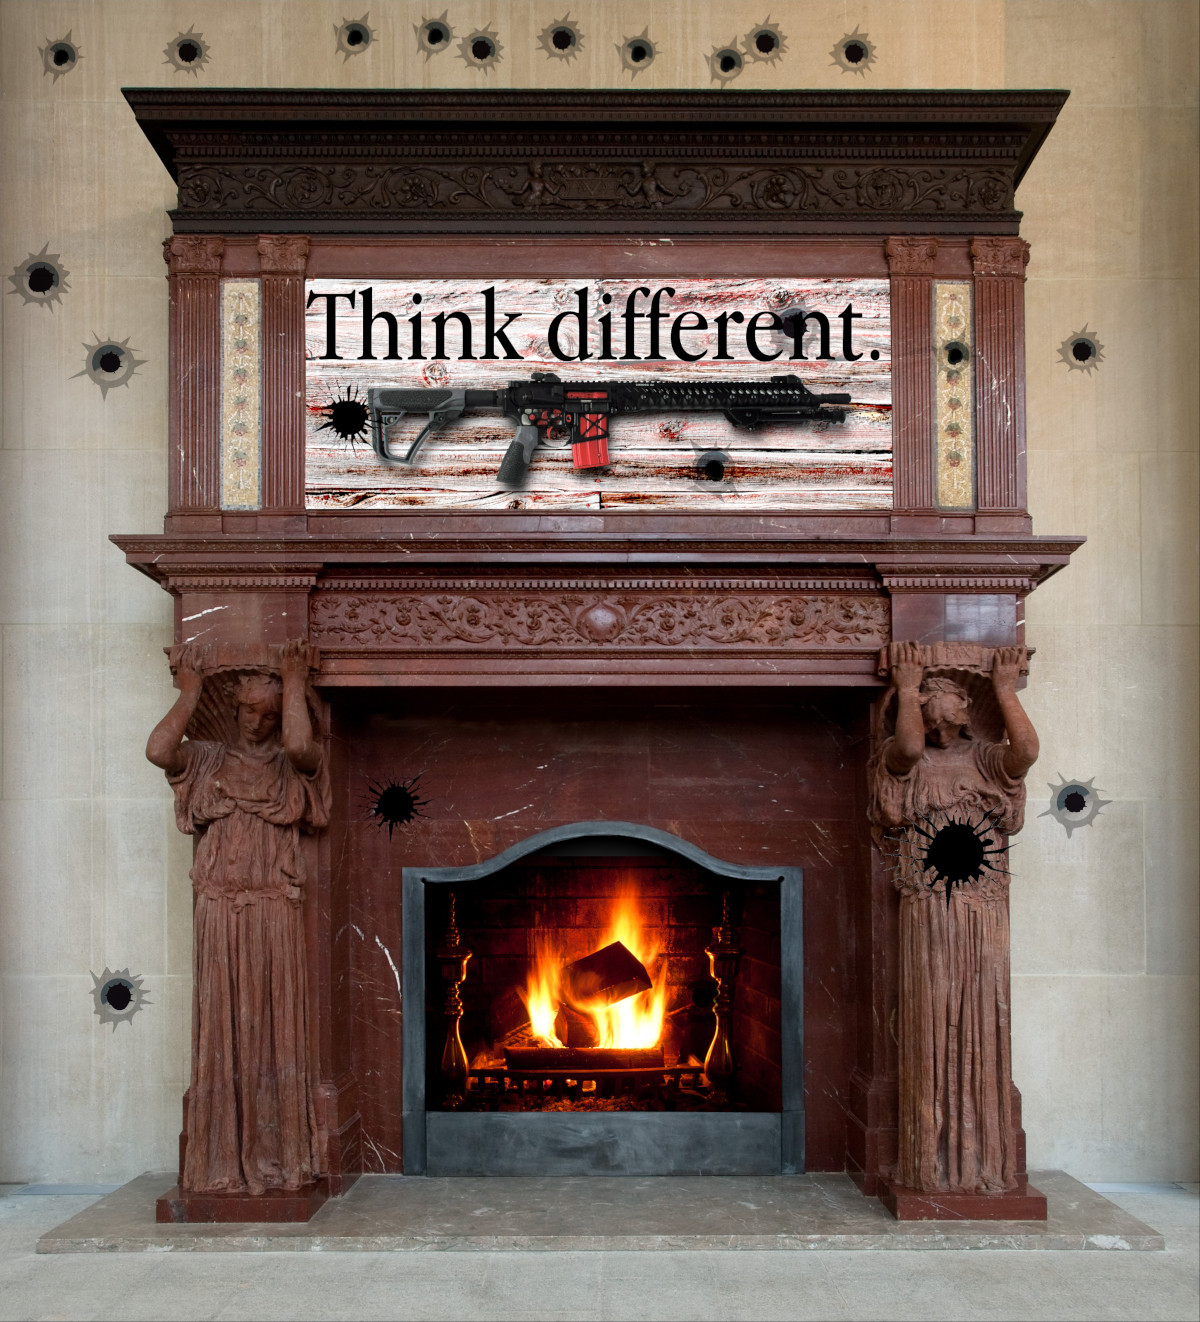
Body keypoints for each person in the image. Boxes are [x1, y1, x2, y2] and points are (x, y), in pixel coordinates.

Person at [146, 641, 330, 1196]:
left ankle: (277, 1153)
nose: (258, 722)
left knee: (273, 1024)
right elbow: (158, 750)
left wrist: (294, 680)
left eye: (269, 714)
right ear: (233, 711)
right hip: (220, 910)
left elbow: (301, 745)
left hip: (274, 909)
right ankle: (220, 1156)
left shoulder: (293, 765)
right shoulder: (204, 759)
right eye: (250, 710)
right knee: (225, 1025)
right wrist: (191, 688)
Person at [869, 643, 1038, 1194]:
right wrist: (910, 684)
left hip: (982, 908)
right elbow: (910, 744)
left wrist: (1006, 688)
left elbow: (1026, 753)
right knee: (935, 1009)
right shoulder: (906, 761)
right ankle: (930, 1157)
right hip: (930, 911)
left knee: (982, 1011)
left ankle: (981, 1160)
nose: (956, 710)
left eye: (961, 702)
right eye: (942, 702)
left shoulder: (986, 760)